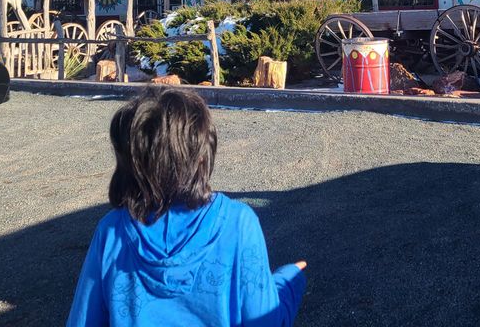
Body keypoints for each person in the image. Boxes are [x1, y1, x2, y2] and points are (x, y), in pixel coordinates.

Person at [67, 86, 307, 326]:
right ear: (202, 154)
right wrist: (288, 282)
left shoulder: (112, 231)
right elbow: (266, 321)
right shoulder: (239, 223)